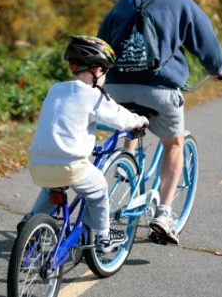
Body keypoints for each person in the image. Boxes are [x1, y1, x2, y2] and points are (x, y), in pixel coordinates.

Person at [97, 0, 222, 245]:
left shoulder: (123, 3)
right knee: (174, 144)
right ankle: (164, 213)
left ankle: (123, 167)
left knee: (128, 123)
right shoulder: (180, 1)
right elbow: (205, 42)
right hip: (160, 90)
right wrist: (216, 68)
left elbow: (101, 43)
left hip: (116, 88)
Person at [20, 35, 149, 253]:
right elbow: (120, 117)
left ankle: (31, 224)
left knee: (53, 186)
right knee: (98, 189)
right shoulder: (93, 96)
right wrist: (140, 121)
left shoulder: (56, 89)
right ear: (98, 70)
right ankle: (103, 238)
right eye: (105, 71)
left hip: (38, 165)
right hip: (71, 166)